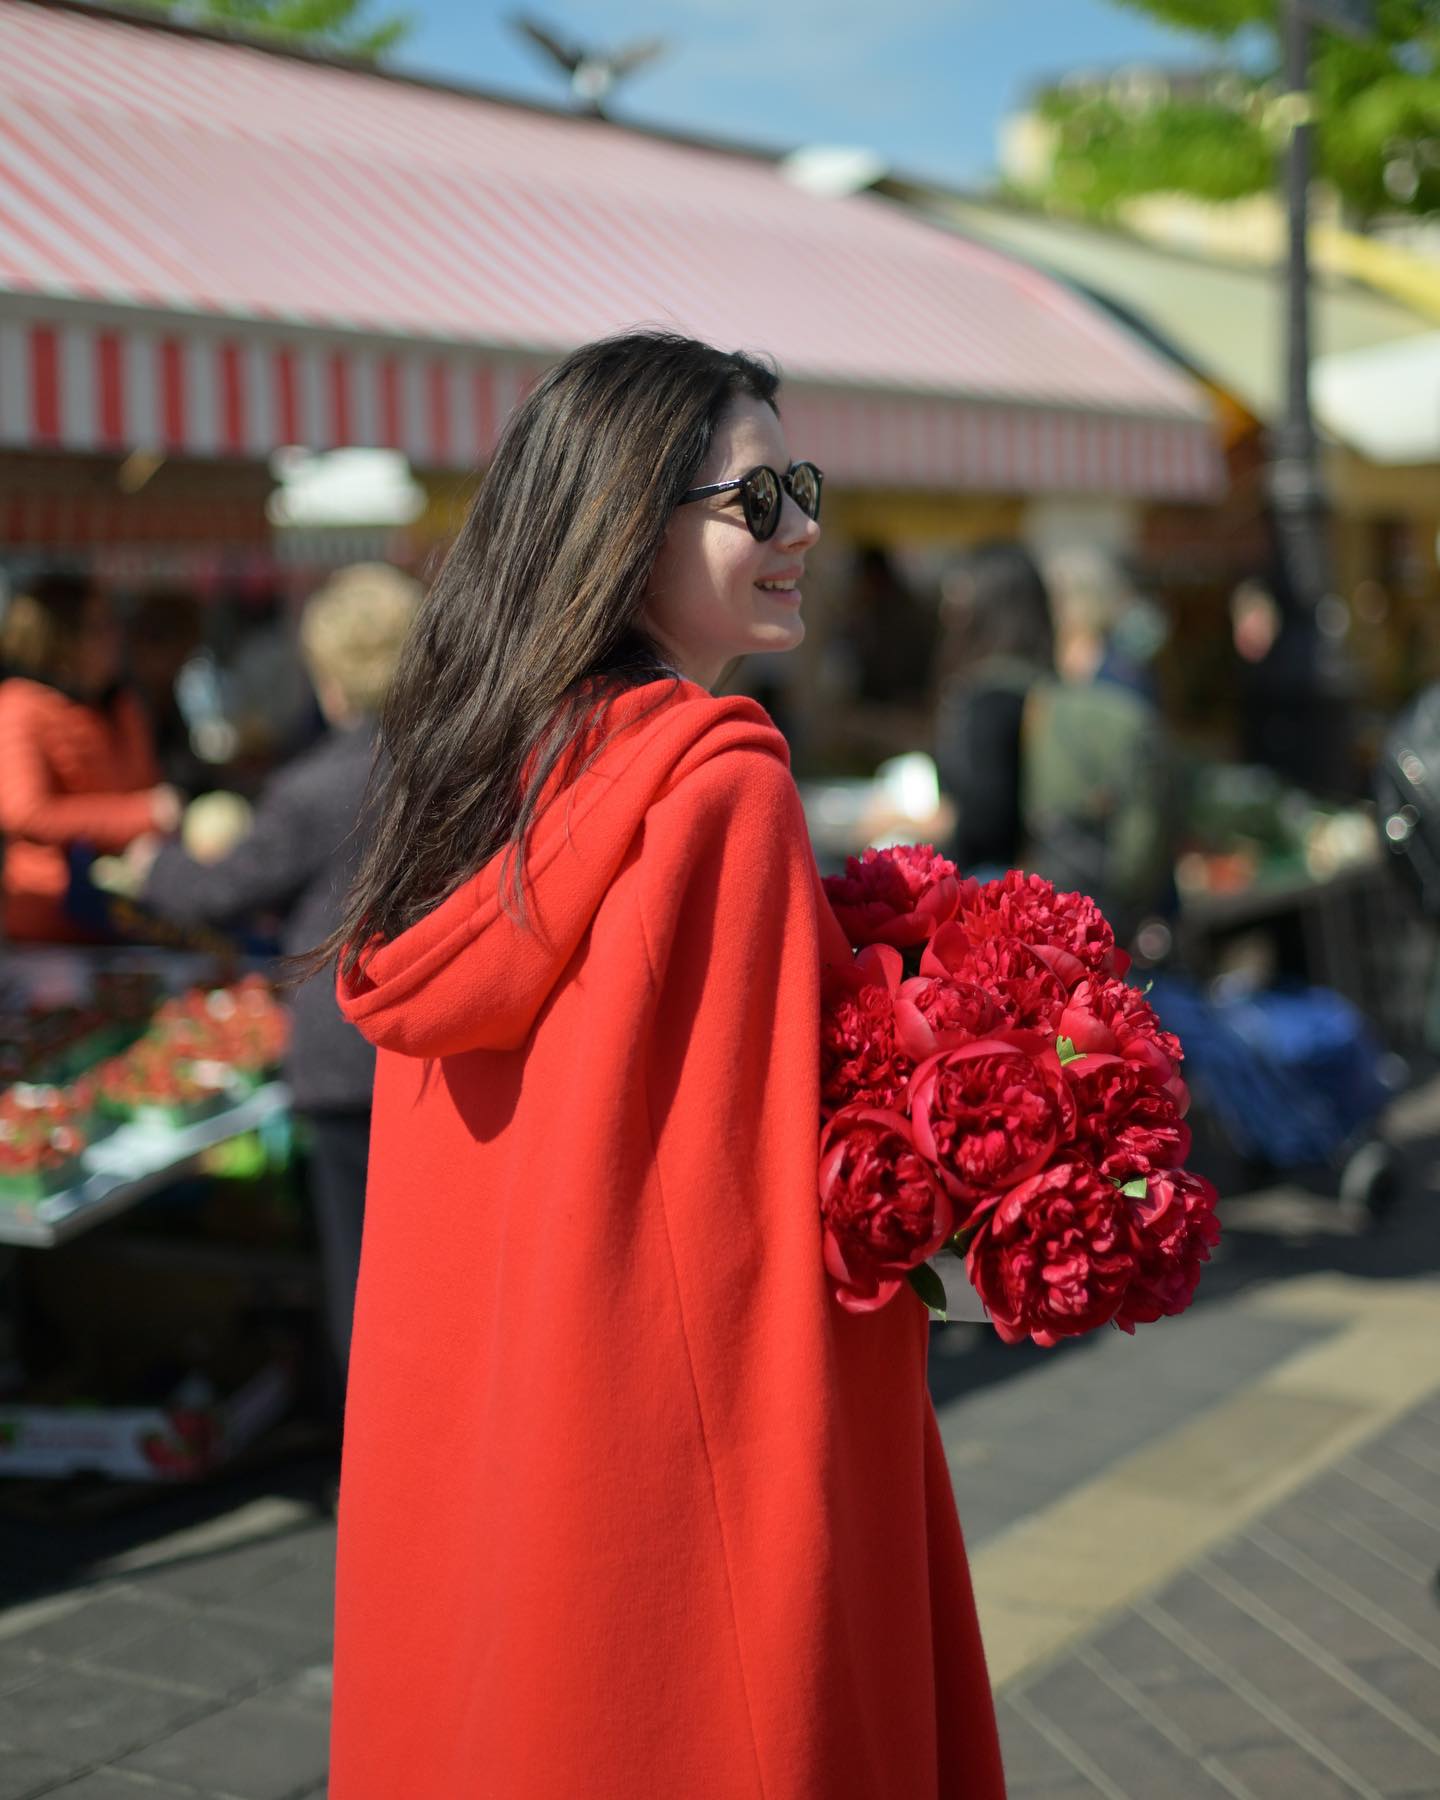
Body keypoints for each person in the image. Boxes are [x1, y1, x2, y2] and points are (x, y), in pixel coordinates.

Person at [321, 334, 1007, 1799]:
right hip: (675, 1472)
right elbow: (754, 1207)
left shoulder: (479, 771)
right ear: (629, 521)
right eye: (757, 502)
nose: (803, 528)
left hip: (489, 1437)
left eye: (801, 489)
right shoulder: (716, 783)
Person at [109, 565, 420, 1393]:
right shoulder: (459, 768)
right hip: (439, 1044)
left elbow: (219, 892)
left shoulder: (314, 787)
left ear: (327, 676)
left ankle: (371, 1455)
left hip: (346, 1050)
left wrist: (153, 865)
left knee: (362, 1273)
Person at [0, 572, 180, 942]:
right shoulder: (20, 706)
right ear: (61, 640)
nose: (115, 639)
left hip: (124, 907)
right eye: (99, 627)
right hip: (49, 920)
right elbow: (25, 812)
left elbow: (146, 785)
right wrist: (140, 816)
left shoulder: (122, 705)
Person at [1027, 544, 1174, 945]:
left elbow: (1142, 803)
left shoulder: (1122, 679)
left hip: (1107, 888)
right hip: (1065, 874)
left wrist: (1126, 890)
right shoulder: (1051, 673)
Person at [932, 540, 1054, 879]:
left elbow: (983, 819)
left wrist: (910, 824)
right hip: (1049, 882)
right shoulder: (1045, 684)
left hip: (992, 884)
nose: (949, 602)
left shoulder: (987, 696)